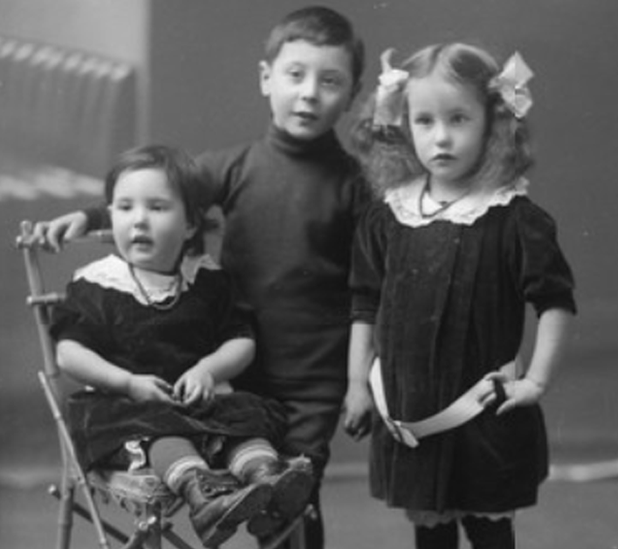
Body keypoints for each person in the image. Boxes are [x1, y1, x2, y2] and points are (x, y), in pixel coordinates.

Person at [33, 7, 369, 548]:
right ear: (266, 79)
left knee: (292, 495)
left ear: (353, 93)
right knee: (244, 478)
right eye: (295, 75)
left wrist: (359, 382)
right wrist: (91, 218)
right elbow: (160, 195)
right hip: (232, 370)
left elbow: (367, 292)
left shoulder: (354, 186)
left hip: (311, 376)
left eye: (329, 81)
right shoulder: (236, 166)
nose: (308, 93)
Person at [343, 43, 577, 549]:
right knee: (431, 533)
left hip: (482, 421)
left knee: (491, 531)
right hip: (412, 412)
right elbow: (365, 304)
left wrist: (536, 381)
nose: (441, 137)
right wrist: (357, 386)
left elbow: (555, 301)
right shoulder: (389, 215)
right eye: (424, 121)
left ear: (491, 124)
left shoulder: (512, 218)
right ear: (404, 124)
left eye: (458, 119)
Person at [49, 145, 315, 548]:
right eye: (124, 208)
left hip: (199, 402)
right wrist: (127, 382)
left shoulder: (205, 280)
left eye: (157, 208)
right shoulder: (98, 283)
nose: (138, 220)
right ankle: (204, 497)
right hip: (128, 408)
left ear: (190, 224)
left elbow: (239, 340)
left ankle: (267, 482)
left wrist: (209, 369)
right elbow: (69, 353)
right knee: (160, 430)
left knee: (245, 417)